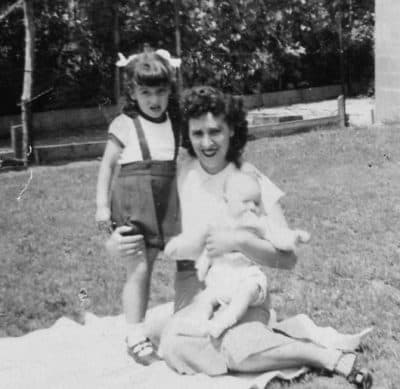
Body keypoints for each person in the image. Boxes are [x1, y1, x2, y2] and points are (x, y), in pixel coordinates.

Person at [106, 86, 372, 388]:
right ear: (187, 136)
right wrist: (115, 241)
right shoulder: (182, 174)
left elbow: (288, 258)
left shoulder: (249, 177)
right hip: (197, 295)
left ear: (232, 130)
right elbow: (145, 224)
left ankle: (322, 356)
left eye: (215, 131)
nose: (207, 143)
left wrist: (238, 241)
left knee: (235, 349)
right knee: (174, 344)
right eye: (197, 134)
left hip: (245, 292)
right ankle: (274, 338)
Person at [95, 48, 181, 365]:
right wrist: (102, 206)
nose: (154, 99)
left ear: (170, 90)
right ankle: (135, 336)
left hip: (165, 201)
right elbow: (107, 167)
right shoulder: (125, 123)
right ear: (133, 92)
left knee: (179, 259)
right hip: (133, 204)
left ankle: (192, 322)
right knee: (139, 268)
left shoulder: (176, 121)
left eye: (160, 91)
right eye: (145, 92)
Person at [164, 170, 310, 338]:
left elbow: (277, 236)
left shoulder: (256, 223)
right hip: (221, 278)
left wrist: (293, 237)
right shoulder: (218, 221)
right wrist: (192, 257)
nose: (252, 207)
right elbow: (203, 244)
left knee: (247, 291)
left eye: (256, 202)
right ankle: (199, 324)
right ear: (227, 200)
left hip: (246, 275)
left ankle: (226, 320)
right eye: (245, 202)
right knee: (204, 298)